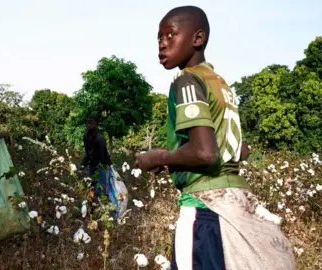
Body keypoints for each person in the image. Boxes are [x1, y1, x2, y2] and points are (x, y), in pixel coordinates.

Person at [136, 6, 295, 270]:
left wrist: (158, 156)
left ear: (197, 39)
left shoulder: (186, 80)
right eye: (159, 39)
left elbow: (204, 153)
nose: (162, 45)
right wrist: (174, 159)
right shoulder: (220, 83)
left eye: (170, 35)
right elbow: (239, 149)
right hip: (235, 204)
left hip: (203, 208)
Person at [81, 119, 112, 197]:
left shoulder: (100, 138)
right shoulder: (85, 137)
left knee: (102, 189)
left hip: (103, 164)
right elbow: (87, 152)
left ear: (95, 126)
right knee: (91, 185)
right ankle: (92, 203)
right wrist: (82, 164)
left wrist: (94, 164)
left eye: (91, 125)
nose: (89, 126)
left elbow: (101, 155)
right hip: (93, 163)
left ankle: (104, 204)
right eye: (88, 124)